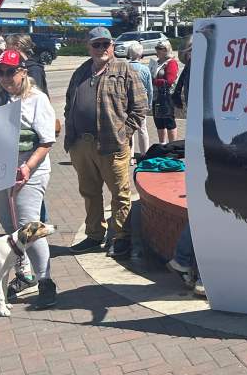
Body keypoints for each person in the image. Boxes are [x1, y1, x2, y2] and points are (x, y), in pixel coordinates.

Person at [0, 49, 58, 308]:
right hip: (0, 169)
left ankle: (46, 281)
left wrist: (28, 167)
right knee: (11, 229)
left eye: (12, 71)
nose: (7, 77)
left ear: (23, 71)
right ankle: (26, 274)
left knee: (29, 228)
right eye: (1, 72)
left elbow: (46, 141)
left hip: (28, 168)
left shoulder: (36, 99)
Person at [63, 26, 148, 258]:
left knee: (119, 193)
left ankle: (121, 237)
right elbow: (69, 103)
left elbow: (140, 107)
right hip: (81, 144)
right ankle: (94, 235)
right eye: (96, 45)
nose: (102, 49)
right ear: (88, 47)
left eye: (106, 44)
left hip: (111, 144)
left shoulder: (125, 70)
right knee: (89, 192)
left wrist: (124, 134)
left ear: (112, 46)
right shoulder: (81, 71)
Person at [125, 40, 154, 156]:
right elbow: (150, 89)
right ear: (141, 54)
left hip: (126, 102)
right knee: (142, 129)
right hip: (141, 102)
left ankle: (130, 155)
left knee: (128, 129)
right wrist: (150, 103)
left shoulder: (125, 67)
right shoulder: (145, 69)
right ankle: (144, 154)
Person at [150, 39, 181, 143]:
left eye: (160, 49)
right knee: (159, 121)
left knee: (169, 121)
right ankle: (162, 145)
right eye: (156, 48)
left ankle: (172, 146)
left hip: (167, 96)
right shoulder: (157, 62)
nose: (157, 51)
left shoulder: (171, 62)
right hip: (156, 96)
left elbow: (169, 81)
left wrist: (154, 81)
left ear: (166, 50)